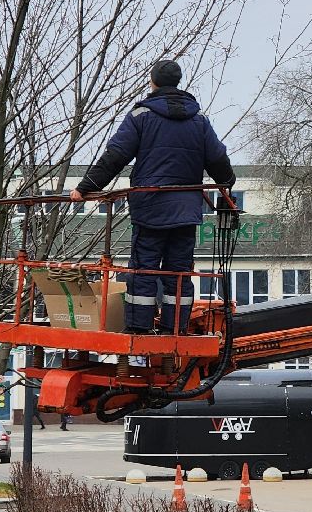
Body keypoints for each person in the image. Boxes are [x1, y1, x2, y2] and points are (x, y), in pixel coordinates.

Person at [71, 59, 235, 332]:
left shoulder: (141, 116)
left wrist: (86, 187)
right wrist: (227, 184)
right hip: (185, 212)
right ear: (178, 82)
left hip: (150, 210)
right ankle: (175, 330)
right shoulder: (200, 121)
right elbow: (217, 158)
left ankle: (139, 330)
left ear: (153, 82)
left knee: (144, 270)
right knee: (179, 274)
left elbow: (115, 156)